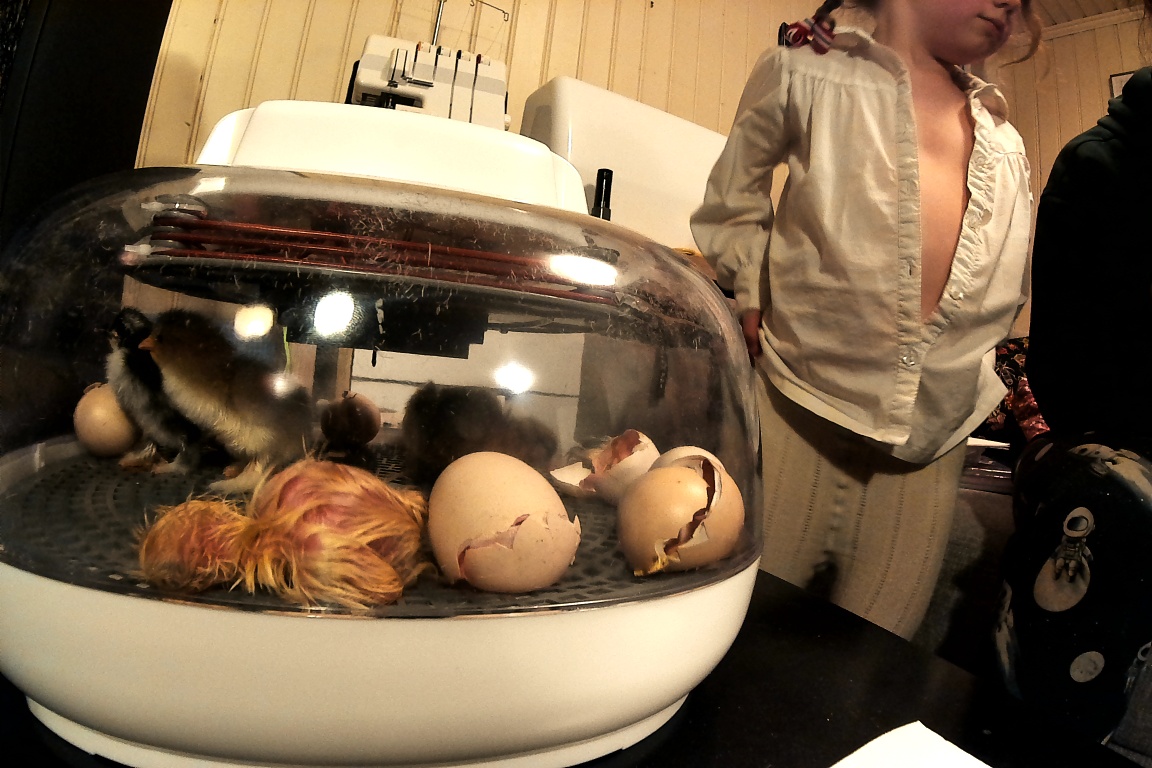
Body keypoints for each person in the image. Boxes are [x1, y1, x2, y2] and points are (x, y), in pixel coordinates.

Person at [691, 0, 1040, 640]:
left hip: (931, 442)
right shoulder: (805, 72)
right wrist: (751, 282)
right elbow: (733, 201)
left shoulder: (1005, 139)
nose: (1011, 3)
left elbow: (1007, 279)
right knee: (745, 636)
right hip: (800, 405)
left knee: (876, 657)